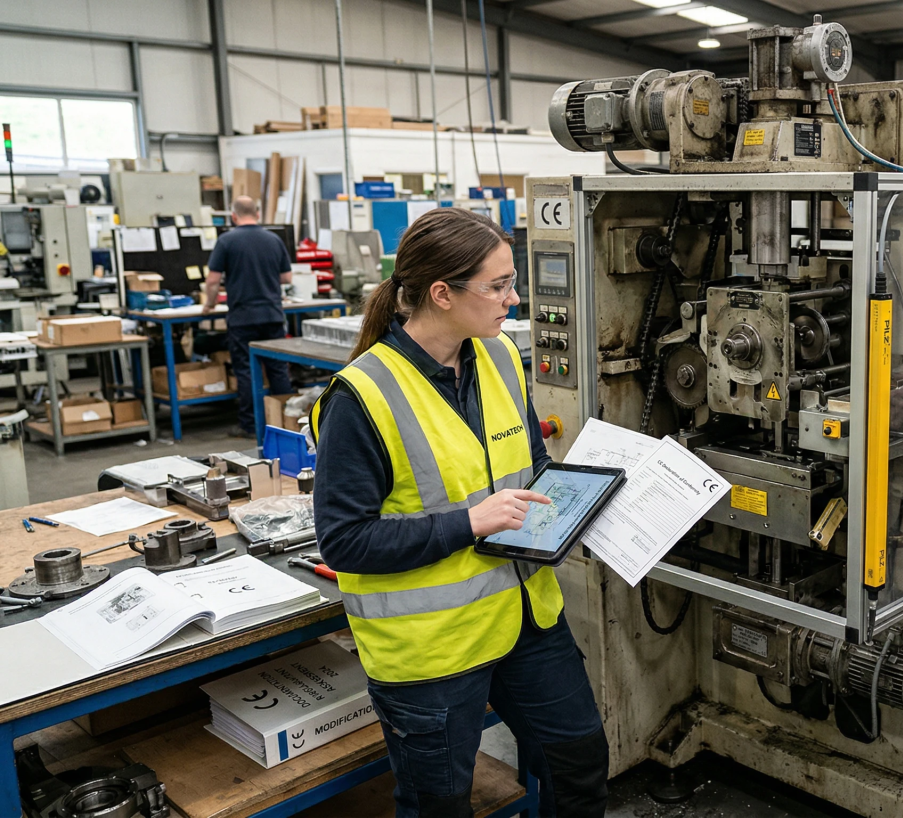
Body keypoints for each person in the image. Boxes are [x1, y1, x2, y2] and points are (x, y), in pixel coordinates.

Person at [310, 208, 608, 818]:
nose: (514, 300)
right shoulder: (362, 397)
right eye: (498, 286)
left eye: (512, 282)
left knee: (580, 764)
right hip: (433, 649)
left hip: (526, 616)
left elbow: (530, 465)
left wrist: (580, 504)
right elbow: (344, 542)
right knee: (439, 806)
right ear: (442, 294)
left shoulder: (499, 357)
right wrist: (470, 522)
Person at [202, 196, 294, 438]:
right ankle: (286, 422)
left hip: (243, 317)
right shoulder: (273, 239)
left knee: (245, 371)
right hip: (272, 315)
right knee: (277, 369)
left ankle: (250, 426)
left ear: (233, 216)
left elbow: (212, 281)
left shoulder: (227, 241)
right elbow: (286, 278)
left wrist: (209, 304)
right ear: (258, 214)